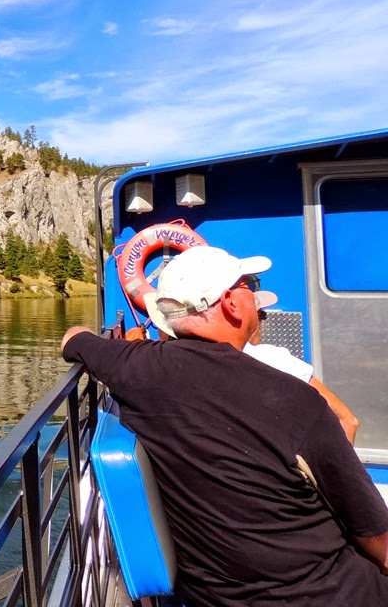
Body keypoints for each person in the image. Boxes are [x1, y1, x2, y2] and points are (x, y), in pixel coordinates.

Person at [64, 245, 388, 606]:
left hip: (212, 596)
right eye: (250, 284)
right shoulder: (295, 401)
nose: (255, 294)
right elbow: (379, 541)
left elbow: (74, 339)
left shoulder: (135, 370)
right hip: (331, 594)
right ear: (232, 303)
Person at [144, 289, 360, 443]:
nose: (261, 321)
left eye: (262, 315)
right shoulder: (275, 359)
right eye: (259, 315)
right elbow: (347, 420)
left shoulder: (169, 373)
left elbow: (346, 421)